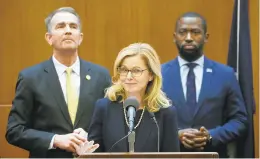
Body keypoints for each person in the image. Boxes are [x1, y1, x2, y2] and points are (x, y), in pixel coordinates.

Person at [5, 7, 110, 158]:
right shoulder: (30, 77)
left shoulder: (101, 75)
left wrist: (92, 136)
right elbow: (14, 130)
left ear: (80, 37)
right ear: (49, 38)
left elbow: (112, 125)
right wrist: (55, 140)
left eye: (73, 27)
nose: (68, 31)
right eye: (61, 26)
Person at [161, 12, 248, 157]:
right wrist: (175, 135)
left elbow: (240, 120)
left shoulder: (225, 74)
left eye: (195, 32)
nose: (188, 38)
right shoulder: (158, 74)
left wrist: (210, 136)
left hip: (213, 154)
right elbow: (148, 120)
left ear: (206, 37)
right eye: (183, 32)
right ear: (174, 36)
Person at [87, 43, 180, 152]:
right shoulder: (104, 107)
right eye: (124, 70)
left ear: (151, 75)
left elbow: (172, 156)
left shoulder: (165, 113)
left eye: (136, 71)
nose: (129, 77)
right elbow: (94, 153)